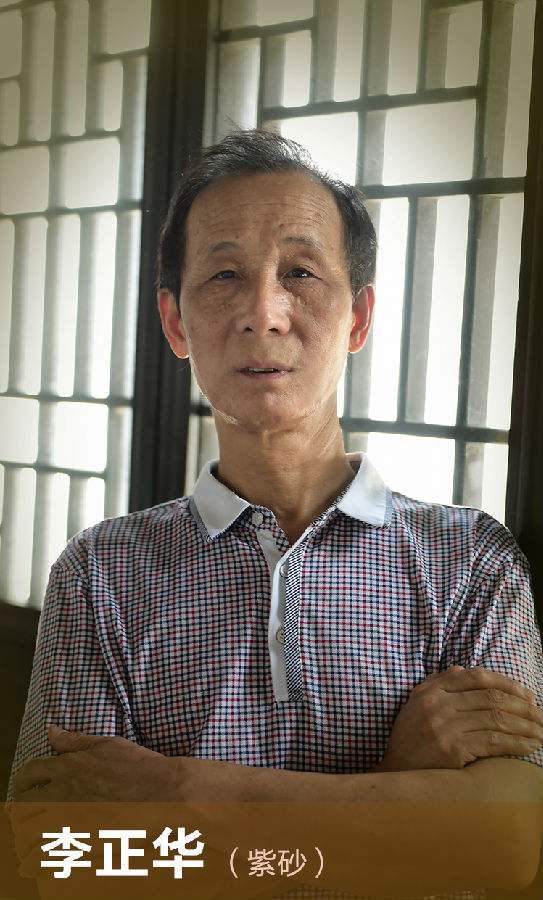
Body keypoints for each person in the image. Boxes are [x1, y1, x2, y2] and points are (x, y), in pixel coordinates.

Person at [9, 131, 543, 896]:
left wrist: (179, 797)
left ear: (357, 318)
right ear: (175, 322)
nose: (263, 312)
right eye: (224, 275)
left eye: (300, 272)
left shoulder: (470, 562)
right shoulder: (99, 573)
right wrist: (399, 787)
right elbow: (63, 856)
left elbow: (506, 842)